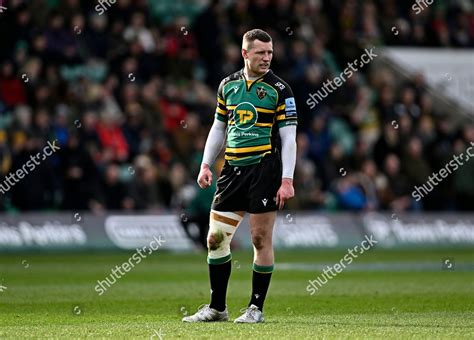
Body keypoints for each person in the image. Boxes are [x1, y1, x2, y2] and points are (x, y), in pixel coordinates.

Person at [182, 29, 297, 323]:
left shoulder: (280, 90)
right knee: (215, 238)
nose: (267, 58)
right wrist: (206, 164)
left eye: (270, 53)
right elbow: (219, 127)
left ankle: (255, 308)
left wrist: (287, 179)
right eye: (261, 53)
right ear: (245, 53)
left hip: (265, 170)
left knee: (259, 239)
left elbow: (289, 138)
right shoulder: (227, 85)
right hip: (232, 170)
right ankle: (217, 308)